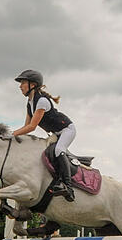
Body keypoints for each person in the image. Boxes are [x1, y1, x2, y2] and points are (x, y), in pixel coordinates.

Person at [10, 69, 76, 202]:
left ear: (32, 85)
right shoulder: (30, 103)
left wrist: (11, 135)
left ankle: (68, 187)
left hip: (67, 130)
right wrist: (14, 136)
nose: (20, 86)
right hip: (56, 133)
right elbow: (26, 127)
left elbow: (32, 127)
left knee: (58, 150)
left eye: (23, 82)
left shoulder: (41, 102)